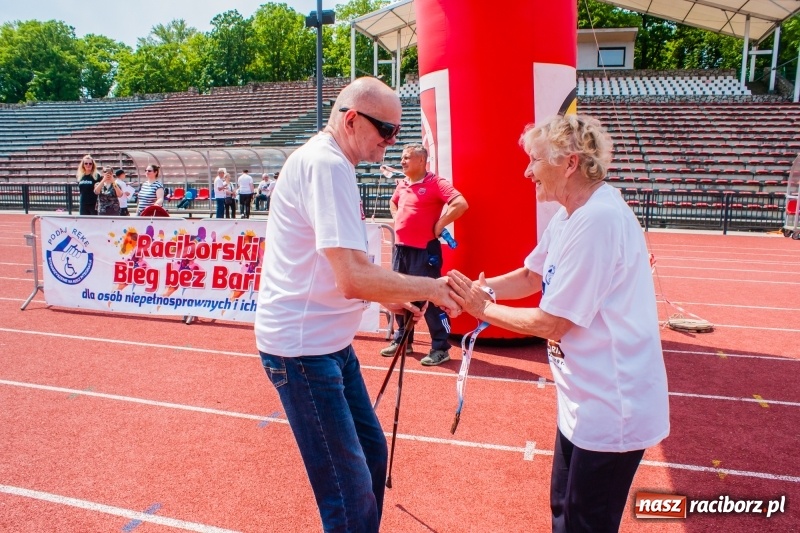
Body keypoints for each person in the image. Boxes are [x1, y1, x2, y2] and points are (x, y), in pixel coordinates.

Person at [254, 77, 460, 533]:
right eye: (386, 130)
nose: (392, 141)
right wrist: (429, 288)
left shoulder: (334, 164)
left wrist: (396, 293)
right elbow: (350, 278)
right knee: (349, 498)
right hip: (303, 351)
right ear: (351, 119)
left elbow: (339, 270)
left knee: (370, 457)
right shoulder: (325, 165)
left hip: (327, 345)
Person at [446, 114, 669, 533]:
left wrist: (481, 308)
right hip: (583, 403)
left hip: (611, 408)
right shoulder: (570, 215)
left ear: (569, 163)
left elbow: (553, 323)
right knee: (564, 512)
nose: (527, 171)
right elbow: (531, 276)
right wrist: (464, 290)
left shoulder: (598, 219)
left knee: (584, 524)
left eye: (534, 160)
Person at [380, 144, 468, 366]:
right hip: (401, 249)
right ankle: (403, 340)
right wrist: (397, 214)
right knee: (400, 292)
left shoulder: (435, 183)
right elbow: (393, 202)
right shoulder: (402, 184)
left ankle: (441, 347)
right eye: (402, 157)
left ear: (421, 161)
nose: (402, 161)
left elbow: (460, 203)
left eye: (407, 157)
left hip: (424, 250)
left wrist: (439, 225)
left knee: (431, 295)